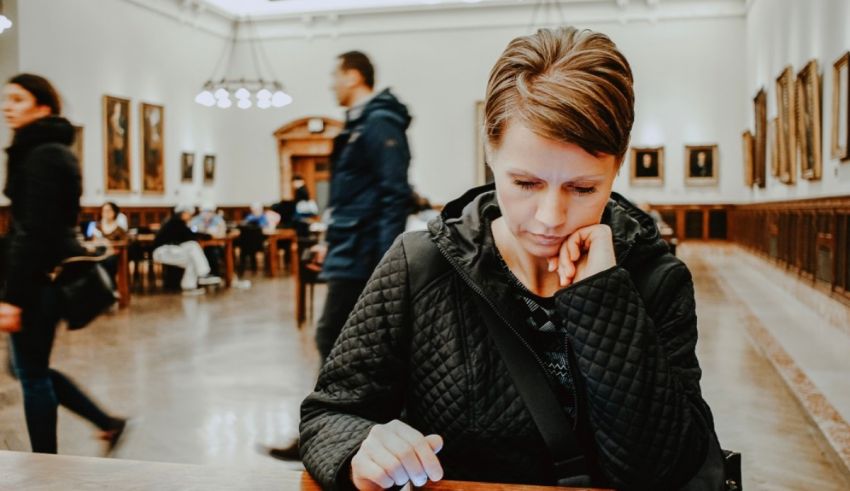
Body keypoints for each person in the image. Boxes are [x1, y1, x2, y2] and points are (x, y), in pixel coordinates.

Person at [299, 28, 721, 490]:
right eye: (525, 183)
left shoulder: (657, 279)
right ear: (491, 153)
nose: (550, 218)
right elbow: (330, 415)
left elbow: (665, 470)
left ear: (617, 167)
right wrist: (363, 446)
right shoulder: (418, 266)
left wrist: (603, 298)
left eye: (583, 189)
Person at [0, 73, 127, 454]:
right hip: (39, 276)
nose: (8, 106)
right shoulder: (42, 150)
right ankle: (106, 422)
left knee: (32, 375)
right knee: (27, 370)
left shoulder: (43, 155)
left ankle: (46, 467)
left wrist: (13, 298)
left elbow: (33, 232)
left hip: (39, 280)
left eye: (18, 99)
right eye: (6, 98)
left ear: (43, 107)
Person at [313, 50, 412, 362]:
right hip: (347, 245)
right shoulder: (358, 124)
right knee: (341, 338)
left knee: (334, 336)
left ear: (353, 76)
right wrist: (328, 241)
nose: (332, 85)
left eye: (335, 76)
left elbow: (394, 194)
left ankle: (338, 409)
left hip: (362, 250)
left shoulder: (379, 123)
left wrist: (385, 263)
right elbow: (350, 196)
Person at [152, 205, 221, 294]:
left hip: (170, 250)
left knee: (192, 258)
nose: (190, 216)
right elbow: (190, 236)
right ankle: (203, 274)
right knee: (192, 246)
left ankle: (189, 287)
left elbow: (189, 235)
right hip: (162, 252)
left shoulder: (176, 222)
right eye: (189, 214)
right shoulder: (176, 223)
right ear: (183, 214)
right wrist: (207, 236)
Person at [190, 203, 226, 276]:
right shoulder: (195, 220)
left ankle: (215, 274)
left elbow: (222, 234)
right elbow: (192, 232)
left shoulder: (218, 220)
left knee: (213, 252)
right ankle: (199, 275)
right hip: (199, 245)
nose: (207, 214)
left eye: (209, 212)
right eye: (205, 212)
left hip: (215, 245)